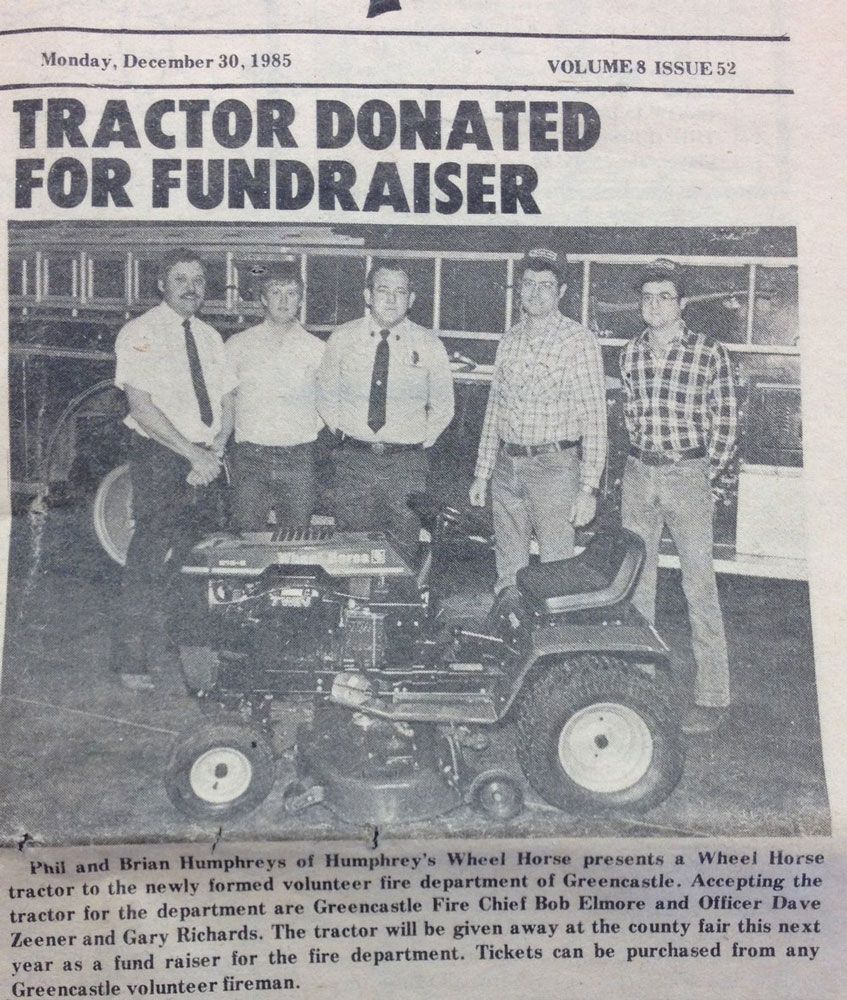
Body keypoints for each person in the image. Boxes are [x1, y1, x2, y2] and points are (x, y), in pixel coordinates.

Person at [620, 258, 739, 735]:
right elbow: (629, 414)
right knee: (636, 583)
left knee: (698, 585)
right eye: (647, 297)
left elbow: (726, 424)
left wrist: (707, 478)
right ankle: (640, 683)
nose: (654, 305)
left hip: (688, 473)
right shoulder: (630, 353)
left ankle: (712, 695)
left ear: (681, 303)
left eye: (664, 296)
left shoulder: (710, 353)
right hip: (638, 471)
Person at [113, 249, 235, 690]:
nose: (191, 287)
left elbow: (226, 399)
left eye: (199, 279)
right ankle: (132, 662)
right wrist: (192, 455)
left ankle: (188, 655)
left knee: (199, 562)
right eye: (181, 278)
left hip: (206, 457)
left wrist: (216, 448)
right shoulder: (140, 332)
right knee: (149, 558)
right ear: (161, 284)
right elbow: (142, 409)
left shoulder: (209, 337)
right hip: (163, 458)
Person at [469, 248, 607, 603]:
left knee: (556, 573)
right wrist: (482, 473)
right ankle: (508, 649)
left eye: (545, 285)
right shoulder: (510, 339)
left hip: (555, 469)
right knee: (508, 573)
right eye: (527, 283)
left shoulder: (579, 341)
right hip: (506, 467)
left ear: (561, 291)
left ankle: (555, 656)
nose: (535, 292)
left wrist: (589, 488)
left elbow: (594, 418)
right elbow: (494, 409)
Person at [316, 259, 454, 556]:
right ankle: (355, 603)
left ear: (411, 299)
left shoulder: (429, 344)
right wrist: (344, 432)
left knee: (403, 546)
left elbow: (444, 405)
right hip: (354, 461)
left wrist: (416, 441)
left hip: (405, 466)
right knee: (351, 549)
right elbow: (326, 395)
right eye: (383, 290)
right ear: (367, 295)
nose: (391, 299)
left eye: (400, 292)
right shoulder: (342, 338)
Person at [225, 261, 325, 531]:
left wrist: (300, 431)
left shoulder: (317, 350)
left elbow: (326, 403)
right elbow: (227, 399)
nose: (283, 300)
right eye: (275, 292)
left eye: (291, 293)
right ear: (262, 299)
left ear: (301, 301)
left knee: (295, 541)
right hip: (249, 460)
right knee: (246, 543)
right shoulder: (237, 346)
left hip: (298, 459)